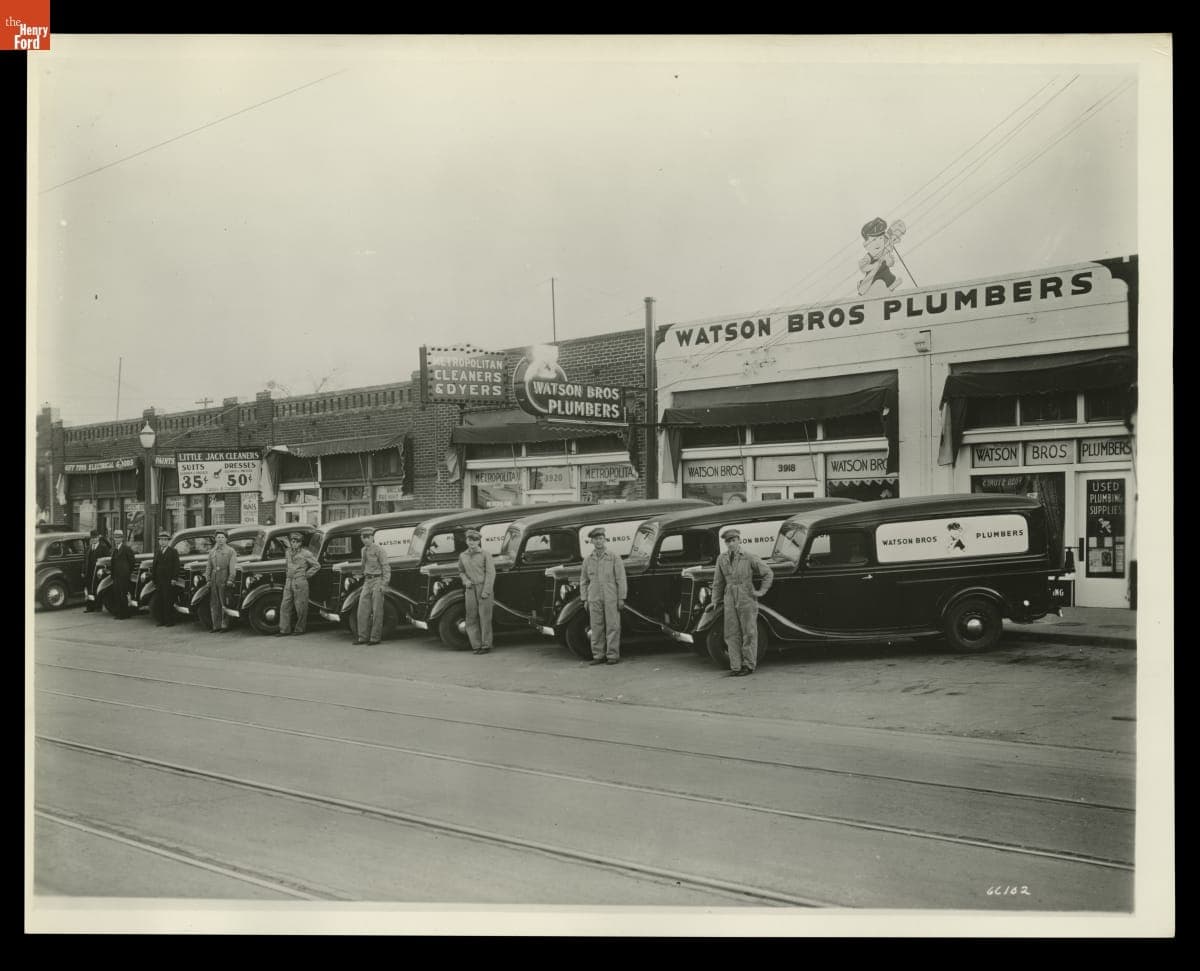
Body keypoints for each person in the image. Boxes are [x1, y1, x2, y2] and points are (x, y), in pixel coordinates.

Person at [712, 527, 774, 677]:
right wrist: (715, 599)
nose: (731, 544)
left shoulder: (749, 557)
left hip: (746, 596)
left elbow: (768, 573)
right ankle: (736, 666)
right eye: (728, 541)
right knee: (731, 632)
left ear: (739, 540)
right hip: (729, 596)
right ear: (726, 543)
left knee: (749, 631)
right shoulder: (722, 559)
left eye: (734, 540)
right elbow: (718, 581)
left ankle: (749, 665)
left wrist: (761, 591)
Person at [579, 526, 627, 666]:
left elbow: (621, 579)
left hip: (611, 597)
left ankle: (612, 655)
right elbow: (584, 581)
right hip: (594, 598)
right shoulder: (588, 560)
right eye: (596, 539)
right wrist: (584, 599)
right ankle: (598, 655)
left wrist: (621, 598)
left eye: (601, 539)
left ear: (604, 540)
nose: (599, 541)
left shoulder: (613, 558)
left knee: (613, 626)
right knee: (596, 627)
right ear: (592, 541)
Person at [457, 528, 496, 655]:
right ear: (466, 541)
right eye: (470, 540)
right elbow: (461, 571)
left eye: (475, 540)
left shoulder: (485, 554)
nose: (472, 542)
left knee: (485, 618)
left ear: (479, 541)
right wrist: (465, 581)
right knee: (471, 618)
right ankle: (476, 645)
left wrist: (486, 591)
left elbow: (491, 573)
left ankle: (486, 645)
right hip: (470, 589)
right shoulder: (463, 555)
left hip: (483, 588)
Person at [278, 532, 320, 636]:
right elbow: (286, 565)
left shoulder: (306, 553)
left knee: (300, 607)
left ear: (300, 543)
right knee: (285, 606)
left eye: (297, 542)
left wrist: (306, 575)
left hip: (300, 581)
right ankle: (284, 629)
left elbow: (316, 565)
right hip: (289, 581)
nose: (294, 543)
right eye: (293, 541)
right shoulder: (288, 552)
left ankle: (300, 629)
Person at [355, 526, 391, 645]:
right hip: (367, 581)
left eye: (367, 537)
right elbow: (363, 565)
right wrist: (360, 575)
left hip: (377, 580)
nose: (365, 540)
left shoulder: (379, 550)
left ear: (372, 537)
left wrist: (384, 584)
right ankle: (362, 637)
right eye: (363, 537)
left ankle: (375, 638)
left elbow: (386, 567)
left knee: (377, 611)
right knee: (362, 610)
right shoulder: (363, 550)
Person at [205, 529, 238, 633]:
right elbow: (209, 567)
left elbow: (232, 567)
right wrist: (208, 579)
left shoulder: (230, 551)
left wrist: (230, 579)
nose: (220, 539)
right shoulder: (212, 551)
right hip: (215, 578)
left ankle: (225, 625)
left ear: (226, 539)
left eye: (222, 537)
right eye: (218, 537)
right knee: (214, 603)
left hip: (224, 577)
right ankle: (216, 626)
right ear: (215, 539)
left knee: (224, 602)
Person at [150, 529, 181, 627]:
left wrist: (174, 578)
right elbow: (154, 565)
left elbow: (176, 566)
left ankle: (169, 621)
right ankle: (161, 620)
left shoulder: (173, 552)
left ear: (168, 541)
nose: (162, 541)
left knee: (168, 600)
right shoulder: (157, 552)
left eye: (165, 540)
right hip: (159, 580)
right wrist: (153, 578)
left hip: (169, 580)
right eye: (161, 540)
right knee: (159, 601)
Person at [107, 529, 136, 619]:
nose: (117, 539)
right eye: (115, 538)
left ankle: (125, 614)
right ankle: (119, 613)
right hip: (116, 576)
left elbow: (132, 561)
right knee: (117, 594)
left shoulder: (126, 549)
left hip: (124, 576)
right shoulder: (114, 550)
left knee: (124, 595)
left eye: (119, 537)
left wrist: (127, 572)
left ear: (122, 539)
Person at [82, 529, 111, 612]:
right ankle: (89, 607)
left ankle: (98, 606)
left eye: (95, 537)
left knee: (97, 588)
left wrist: (105, 571)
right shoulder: (88, 548)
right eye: (92, 538)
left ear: (98, 538)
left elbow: (108, 559)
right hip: (89, 572)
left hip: (98, 572)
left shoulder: (103, 547)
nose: (94, 539)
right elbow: (85, 560)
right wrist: (83, 571)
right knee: (89, 589)